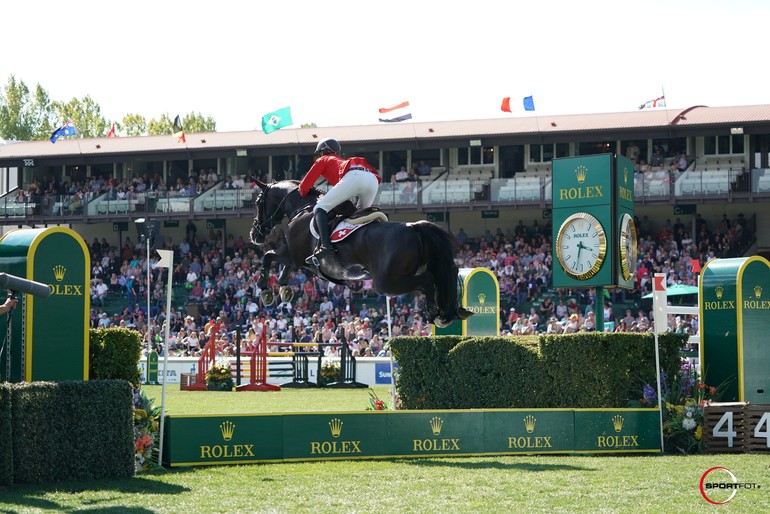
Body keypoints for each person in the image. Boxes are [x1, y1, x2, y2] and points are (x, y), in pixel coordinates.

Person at [298, 138, 382, 263]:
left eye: (319, 154)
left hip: (355, 177)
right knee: (360, 218)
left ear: (322, 152)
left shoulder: (324, 159)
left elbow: (304, 188)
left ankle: (326, 247)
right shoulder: (340, 161)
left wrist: (303, 193)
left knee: (319, 208)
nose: (319, 156)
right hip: (372, 179)